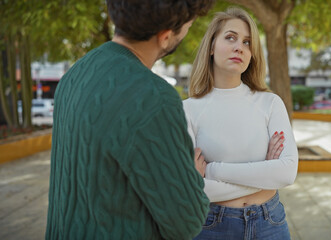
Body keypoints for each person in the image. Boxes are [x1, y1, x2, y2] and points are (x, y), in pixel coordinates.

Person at [45, 0, 215, 239]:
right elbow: (186, 221)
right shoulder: (153, 97)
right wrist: (193, 177)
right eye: (188, 25)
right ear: (165, 36)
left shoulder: (76, 73)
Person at [183, 7, 298, 239]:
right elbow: (193, 190)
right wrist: (265, 174)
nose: (239, 47)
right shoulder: (188, 109)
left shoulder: (270, 103)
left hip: (270, 224)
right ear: (212, 46)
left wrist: (213, 170)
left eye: (247, 42)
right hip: (212, 226)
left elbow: (286, 173)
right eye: (230, 37)